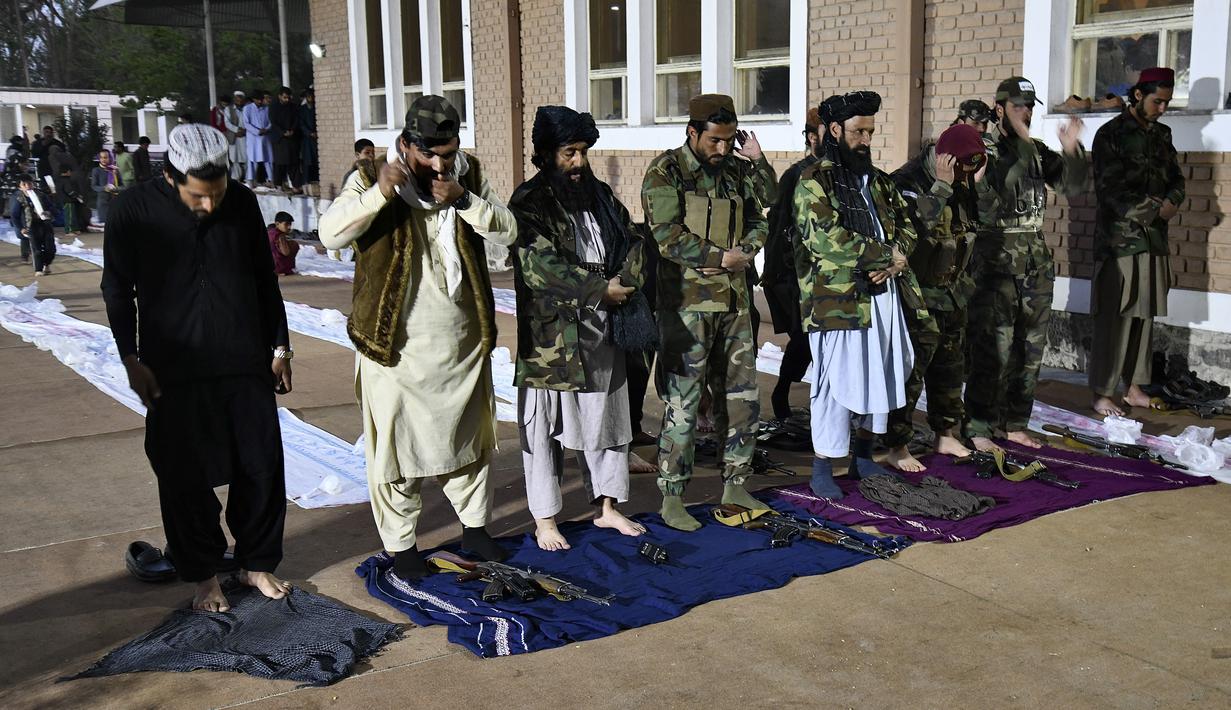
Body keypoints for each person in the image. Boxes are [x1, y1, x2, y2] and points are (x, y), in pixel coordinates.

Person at [318, 96, 515, 581]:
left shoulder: (468, 176)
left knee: (468, 441)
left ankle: (474, 529)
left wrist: (465, 201)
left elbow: (509, 232)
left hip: (461, 339)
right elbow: (330, 235)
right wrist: (378, 195)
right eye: (429, 155)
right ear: (405, 145)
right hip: (393, 347)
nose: (440, 165)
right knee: (396, 451)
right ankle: (402, 547)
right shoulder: (369, 176)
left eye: (448, 154)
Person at [100, 124, 294, 612]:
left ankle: (256, 564)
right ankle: (205, 575)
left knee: (261, 464)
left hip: (243, 356)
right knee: (182, 473)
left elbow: (263, 278)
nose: (210, 206)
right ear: (170, 177)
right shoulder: (132, 211)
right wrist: (130, 358)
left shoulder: (243, 203)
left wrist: (280, 346)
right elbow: (117, 290)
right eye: (197, 197)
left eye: (217, 194)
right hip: (174, 365)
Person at [509, 106, 652, 551]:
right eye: (569, 153)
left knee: (608, 420)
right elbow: (538, 266)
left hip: (604, 326)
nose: (578, 162)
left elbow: (632, 240)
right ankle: (545, 518)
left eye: (583, 152)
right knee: (543, 429)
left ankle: (607, 508)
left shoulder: (601, 194)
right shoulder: (528, 202)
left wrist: (625, 283)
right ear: (547, 154)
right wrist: (596, 289)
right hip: (553, 335)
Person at [640, 93, 768, 531]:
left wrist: (748, 248)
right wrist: (719, 257)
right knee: (684, 402)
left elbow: (760, 215)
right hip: (686, 307)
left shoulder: (737, 171)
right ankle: (672, 495)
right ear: (692, 132)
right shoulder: (665, 172)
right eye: (714, 140)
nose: (722, 149)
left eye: (729, 140)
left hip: (733, 304)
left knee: (741, 398)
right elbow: (665, 235)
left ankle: (736, 482)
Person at [793, 91, 930, 498]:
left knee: (883, 376)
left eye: (870, 131)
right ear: (835, 130)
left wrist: (896, 259)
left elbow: (906, 228)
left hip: (884, 294)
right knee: (833, 383)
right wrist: (885, 254)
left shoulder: (881, 182)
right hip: (836, 300)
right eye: (858, 131)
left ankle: (864, 456)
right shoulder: (812, 181)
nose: (866, 139)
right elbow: (826, 242)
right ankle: (823, 466)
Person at [966, 77, 1087, 451]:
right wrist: (1019, 143)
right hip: (994, 262)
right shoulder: (981, 148)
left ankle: (1015, 422)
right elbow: (988, 197)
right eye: (1019, 107)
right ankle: (980, 427)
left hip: (1034, 263)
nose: (1027, 113)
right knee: (992, 349)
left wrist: (1072, 150)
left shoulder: (1036, 149)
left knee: (1029, 349)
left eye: (1030, 107)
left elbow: (1071, 186)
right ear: (999, 109)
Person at [883, 124, 988, 472]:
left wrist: (973, 183)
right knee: (911, 371)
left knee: (950, 365)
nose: (964, 176)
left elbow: (975, 224)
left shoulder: (965, 179)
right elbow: (908, 231)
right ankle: (897, 444)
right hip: (918, 292)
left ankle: (945, 432)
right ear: (944, 158)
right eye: (960, 168)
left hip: (952, 290)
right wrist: (941, 187)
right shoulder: (906, 181)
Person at [1088, 67, 1183, 417]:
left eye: (1167, 103)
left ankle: (1133, 388)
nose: (1162, 108)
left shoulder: (1163, 135)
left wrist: (1175, 200)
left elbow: (1176, 177)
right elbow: (1110, 192)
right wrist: (1153, 212)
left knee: (1144, 315)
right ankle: (1101, 392)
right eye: (1158, 101)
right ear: (1139, 95)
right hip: (1119, 243)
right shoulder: (1110, 134)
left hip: (1153, 241)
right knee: (1115, 318)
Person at [762, 107, 822, 422]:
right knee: (804, 336)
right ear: (813, 137)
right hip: (796, 274)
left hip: (830, 276)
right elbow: (777, 226)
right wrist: (776, 274)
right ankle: (782, 390)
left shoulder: (842, 174)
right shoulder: (796, 176)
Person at [14, 173, 56, 275]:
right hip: (31, 226)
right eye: (24, 184)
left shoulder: (41, 195)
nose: (28, 186)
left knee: (50, 248)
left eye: (29, 183)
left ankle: (47, 263)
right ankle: (38, 269)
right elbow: (14, 215)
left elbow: (52, 207)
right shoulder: (18, 198)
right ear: (20, 187)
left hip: (45, 223)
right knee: (36, 248)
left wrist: (49, 212)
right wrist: (21, 228)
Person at [269, 87, 302, 193]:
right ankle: (278, 184)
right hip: (280, 139)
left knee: (293, 162)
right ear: (279, 96)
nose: (287, 100)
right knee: (280, 163)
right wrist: (283, 132)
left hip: (292, 138)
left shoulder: (293, 107)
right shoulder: (273, 107)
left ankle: (296, 185)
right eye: (284, 97)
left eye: (288, 97)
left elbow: (297, 119)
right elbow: (273, 122)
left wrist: (292, 130)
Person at [242, 90, 274, 187]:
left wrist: (266, 129)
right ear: (253, 99)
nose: (260, 102)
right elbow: (246, 123)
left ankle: (271, 179)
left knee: (268, 159)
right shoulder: (247, 108)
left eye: (261, 99)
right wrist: (257, 131)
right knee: (253, 159)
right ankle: (251, 180)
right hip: (253, 139)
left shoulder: (267, 109)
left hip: (265, 138)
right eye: (258, 100)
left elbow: (271, 121)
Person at [91, 149, 122, 224]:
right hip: (103, 203)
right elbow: (94, 186)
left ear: (110, 158)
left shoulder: (114, 170)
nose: (103, 159)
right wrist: (104, 188)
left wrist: (116, 189)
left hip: (115, 202)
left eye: (105, 157)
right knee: (105, 227)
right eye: (101, 157)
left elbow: (122, 186)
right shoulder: (96, 170)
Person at [56, 162, 86, 237]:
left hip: (65, 200)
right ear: (67, 171)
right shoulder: (66, 181)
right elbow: (69, 190)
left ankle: (74, 229)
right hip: (68, 200)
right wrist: (76, 196)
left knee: (72, 215)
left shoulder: (59, 180)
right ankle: (68, 230)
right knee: (69, 216)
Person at [224, 91, 248, 182]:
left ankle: (246, 177)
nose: (239, 100)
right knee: (234, 158)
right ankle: (236, 178)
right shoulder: (228, 109)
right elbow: (227, 123)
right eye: (237, 98)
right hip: (234, 137)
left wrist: (244, 130)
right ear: (234, 99)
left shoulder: (246, 108)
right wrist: (237, 130)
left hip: (245, 136)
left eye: (240, 98)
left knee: (246, 157)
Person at [299, 88, 319, 193]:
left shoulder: (317, 107)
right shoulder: (302, 109)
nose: (311, 98)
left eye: (312, 96)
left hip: (316, 138)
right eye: (309, 96)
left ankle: (316, 181)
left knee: (316, 159)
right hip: (307, 139)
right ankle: (306, 183)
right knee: (308, 161)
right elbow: (301, 124)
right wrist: (309, 133)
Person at [268, 211, 299, 276]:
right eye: (286, 224)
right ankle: (283, 269)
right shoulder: (279, 236)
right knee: (295, 244)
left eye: (290, 224)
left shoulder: (270, 232)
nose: (289, 227)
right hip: (278, 267)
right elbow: (286, 252)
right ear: (277, 224)